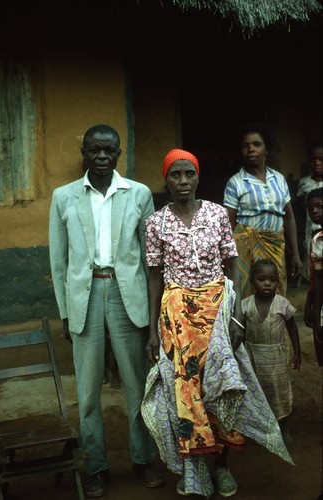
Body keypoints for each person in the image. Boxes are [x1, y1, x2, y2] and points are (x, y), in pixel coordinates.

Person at [141, 148, 293, 499]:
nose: (182, 181)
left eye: (189, 174)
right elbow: (154, 277)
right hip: (177, 317)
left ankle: (222, 468)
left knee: (222, 387)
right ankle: (193, 472)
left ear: (197, 176)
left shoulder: (217, 215)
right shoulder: (155, 223)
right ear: (166, 180)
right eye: (175, 175)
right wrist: (152, 330)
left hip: (218, 314)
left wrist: (237, 315)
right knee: (184, 394)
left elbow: (232, 267)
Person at [49, 124, 164, 498]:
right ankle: (95, 465)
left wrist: (154, 311)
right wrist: (65, 312)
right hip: (84, 295)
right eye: (94, 149)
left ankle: (143, 458)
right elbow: (59, 261)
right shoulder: (64, 197)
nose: (101, 156)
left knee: (137, 384)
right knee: (87, 391)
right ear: (84, 152)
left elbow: (151, 258)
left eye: (109, 150)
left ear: (118, 154)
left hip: (126, 293)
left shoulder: (139, 194)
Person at [223, 122, 302, 298]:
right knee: (247, 296)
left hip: (276, 248)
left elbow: (288, 218)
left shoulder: (279, 179)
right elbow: (229, 224)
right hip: (245, 250)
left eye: (256, 144)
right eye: (245, 146)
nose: (250, 149)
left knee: (277, 296)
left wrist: (295, 253)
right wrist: (227, 259)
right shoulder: (235, 182)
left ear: (266, 149)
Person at [241, 258, 301, 443]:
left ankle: (283, 426)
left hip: (277, 360)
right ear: (252, 282)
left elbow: (292, 328)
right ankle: (256, 427)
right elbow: (240, 333)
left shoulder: (282, 304)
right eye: (261, 279)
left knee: (279, 393)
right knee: (255, 392)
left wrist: (297, 352)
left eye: (272, 279)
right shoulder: (245, 305)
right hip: (253, 358)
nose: (267, 283)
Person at [296, 142, 323, 282]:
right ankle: (311, 284)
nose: (317, 163)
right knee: (311, 254)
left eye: (320, 159)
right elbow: (301, 205)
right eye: (313, 160)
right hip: (310, 227)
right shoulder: (304, 183)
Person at [304, 187, 323, 367]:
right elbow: (317, 279)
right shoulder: (317, 240)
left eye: (319, 206)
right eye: (311, 208)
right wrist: (314, 311)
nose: (314, 211)